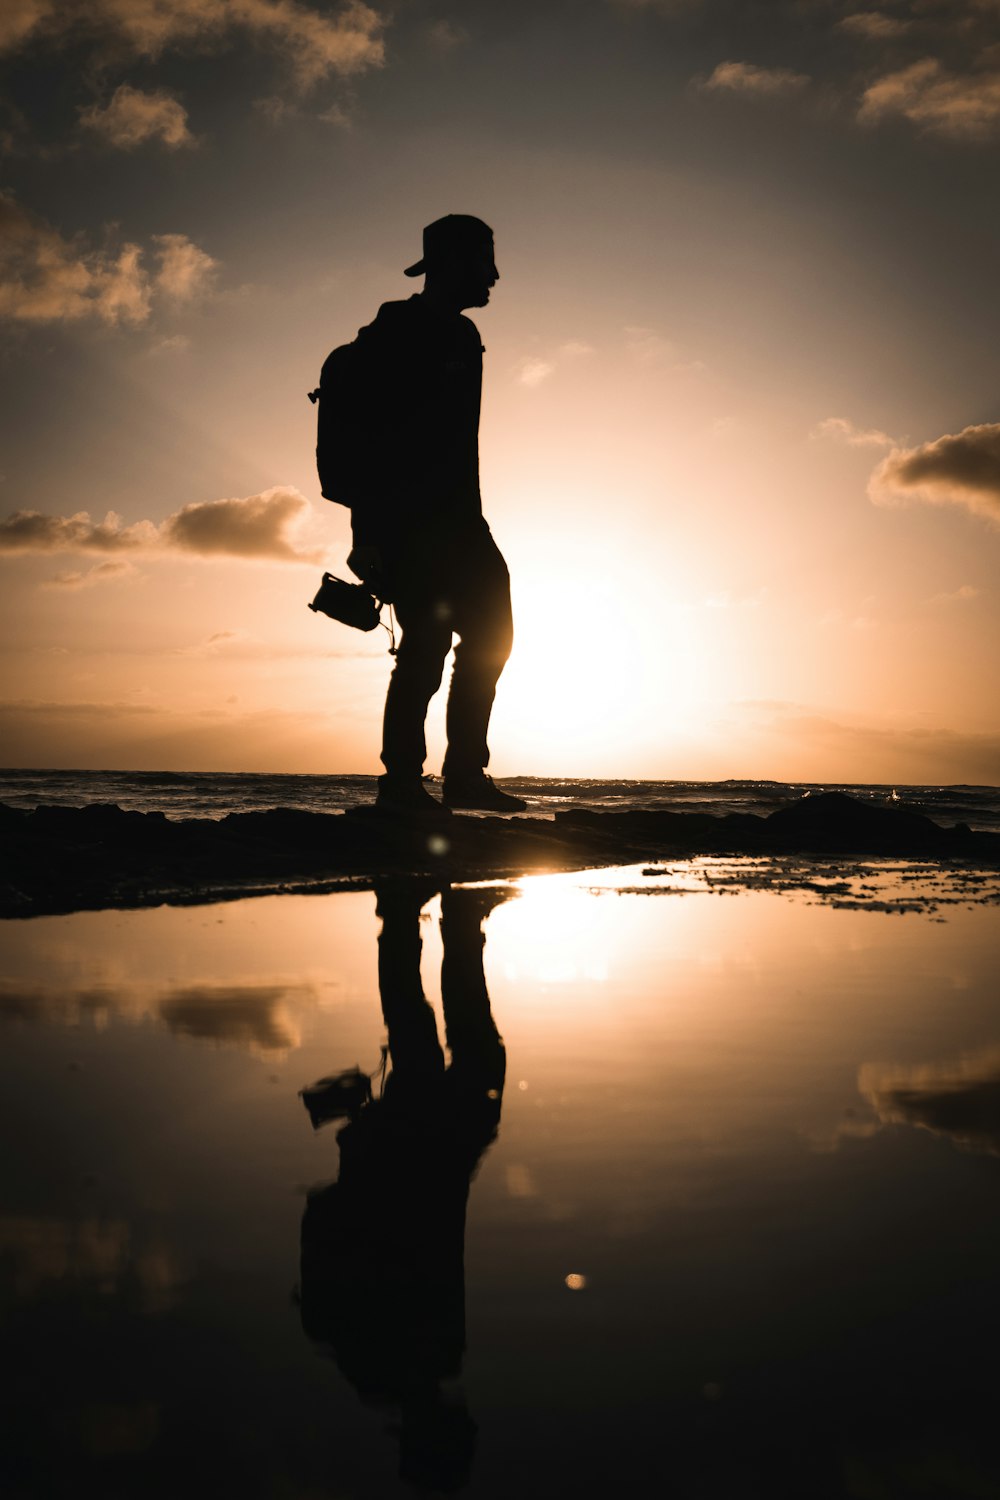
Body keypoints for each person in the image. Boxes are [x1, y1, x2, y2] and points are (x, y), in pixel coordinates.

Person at [344, 214, 527, 814]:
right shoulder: (400, 332)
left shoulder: (463, 336)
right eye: (485, 259)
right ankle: (401, 783)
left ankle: (466, 775)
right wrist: (368, 532)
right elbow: (368, 435)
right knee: (423, 646)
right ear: (453, 262)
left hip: (463, 521)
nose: (495, 274)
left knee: (493, 635)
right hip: (409, 525)